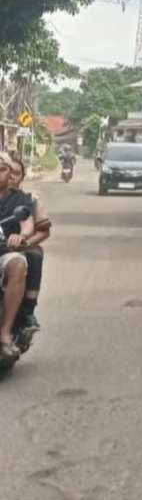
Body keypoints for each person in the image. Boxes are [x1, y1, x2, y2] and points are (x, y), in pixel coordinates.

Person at [0, 151, 36, 359]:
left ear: (9, 173)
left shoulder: (20, 199)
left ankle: (5, 332)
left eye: (2, 170)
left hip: (5, 253)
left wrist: (20, 237)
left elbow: (27, 224)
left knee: (18, 264)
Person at [8, 157, 50, 334]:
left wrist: (24, 242)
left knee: (34, 255)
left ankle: (28, 311)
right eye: (6, 172)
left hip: (20, 248)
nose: (10, 177)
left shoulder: (29, 200)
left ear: (22, 177)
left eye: (15, 173)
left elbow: (43, 230)